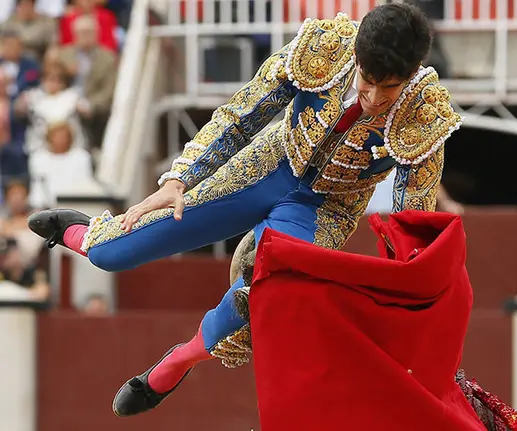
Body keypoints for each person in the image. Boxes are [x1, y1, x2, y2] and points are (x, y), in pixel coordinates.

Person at [27, 4, 461, 417]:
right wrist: (179, 179)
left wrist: (405, 313)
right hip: (266, 168)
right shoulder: (324, 47)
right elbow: (242, 115)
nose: (374, 99)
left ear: (411, 75)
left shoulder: (424, 114)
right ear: (357, 58)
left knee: (258, 300)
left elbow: (412, 227)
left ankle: (174, 365)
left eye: (391, 89)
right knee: (110, 255)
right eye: (369, 82)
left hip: (325, 210)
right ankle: (84, 235)